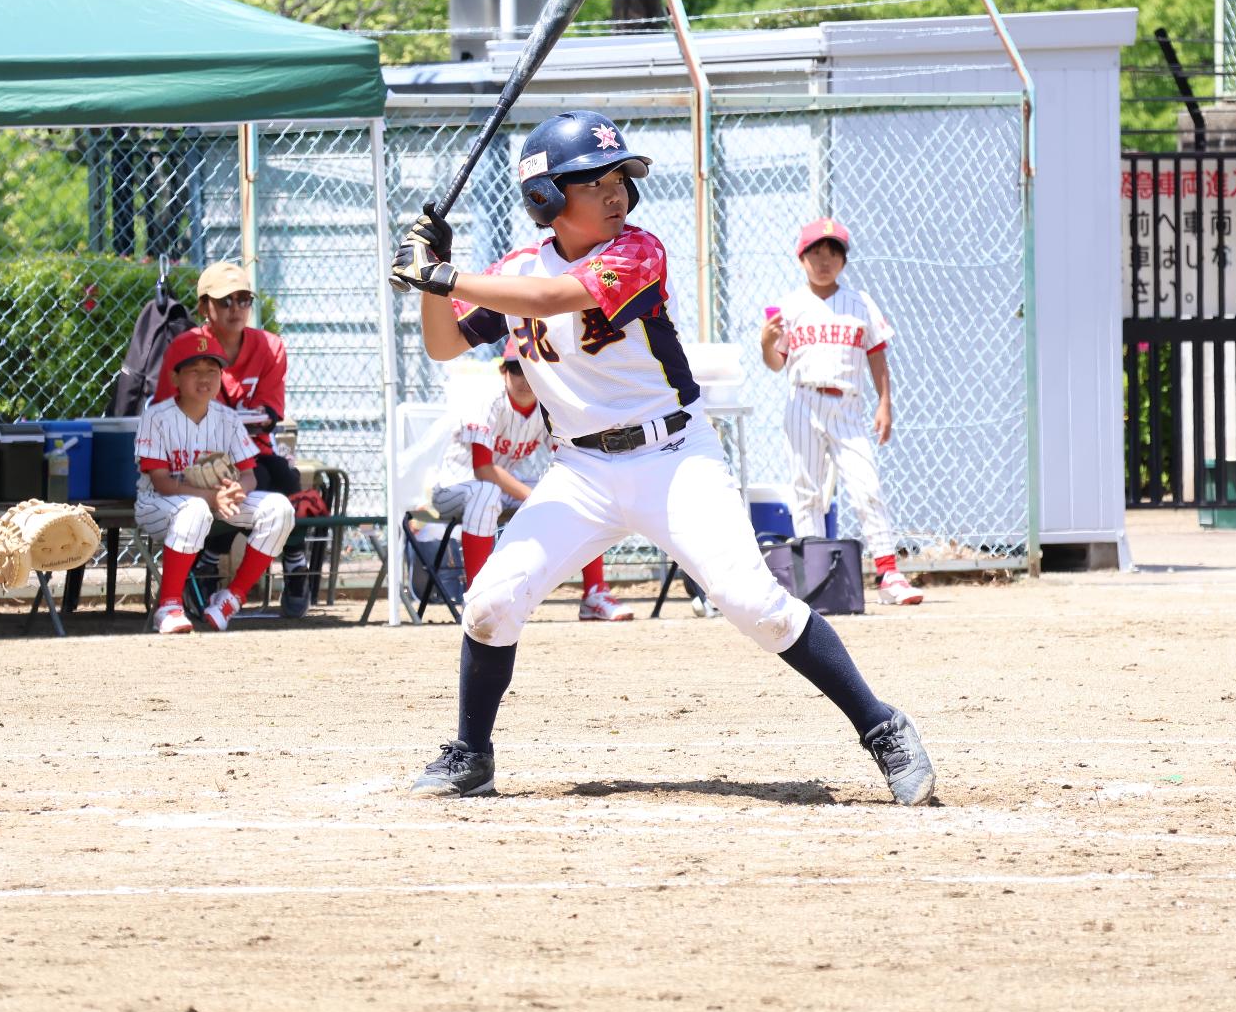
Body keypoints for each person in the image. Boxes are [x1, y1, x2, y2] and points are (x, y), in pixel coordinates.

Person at [389, 109, 935, 805]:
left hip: (674, 455)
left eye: (622, 177)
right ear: (548, 197)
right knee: (492, 601)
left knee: (754, 605)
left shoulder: (637, 252)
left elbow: (555, 294)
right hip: (580, 472)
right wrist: (429, 279)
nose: (617, 191)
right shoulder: (513, 269)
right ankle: (472, 754)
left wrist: (446, 273)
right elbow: (443, 344)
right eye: (594, 181)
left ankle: (883, 726)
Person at [760, 218, 925, 607]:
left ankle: (888, 574)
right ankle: (814, 579)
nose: (824, 260)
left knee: (867, 486)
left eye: (833, 252)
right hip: (803, 400)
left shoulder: (860, 302)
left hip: (849, 404)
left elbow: (876, 354)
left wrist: (885, 402)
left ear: (843, 260)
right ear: (801, 257)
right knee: (807, 490)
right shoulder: (791, 306)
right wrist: (766, 343)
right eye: (815, 252)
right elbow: (775, 363)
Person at [151, 261, 313, 617]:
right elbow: (169, 412)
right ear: (204, 308)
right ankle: (285, 560)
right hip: (196, 458)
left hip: (250, 453)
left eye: (243, 300)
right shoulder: (186, 348)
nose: (236, 309)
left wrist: (239, 420)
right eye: (225, 302)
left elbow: (271, 410)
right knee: (264, 479)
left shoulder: (270, 347)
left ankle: (222, 560)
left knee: (282, 477)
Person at [428, 345, 635, 621]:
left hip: (496, 490)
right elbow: (483, 470)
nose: (524, 380)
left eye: (529, 370)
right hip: (453, 489)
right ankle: (477, 600)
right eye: (516, 370)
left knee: (578, 494)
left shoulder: (545, 405)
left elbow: (568, 456)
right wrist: (531, 495)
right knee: (486, 492)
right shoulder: (489, 399)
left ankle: (594, 593)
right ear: (504, 371)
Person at [135, 332, 295, 634]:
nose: (205, 377)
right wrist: (212, 497)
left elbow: (248, 473)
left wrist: (239, 489)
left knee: (279, 508)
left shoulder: (228, 418)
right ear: (175, 377)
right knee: (195, 509)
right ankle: (168, 606)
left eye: (212, 370)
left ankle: (231, 599)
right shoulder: (156, 418)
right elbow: (161, 483)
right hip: (157, 505)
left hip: (215, 501)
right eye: (195, 370)